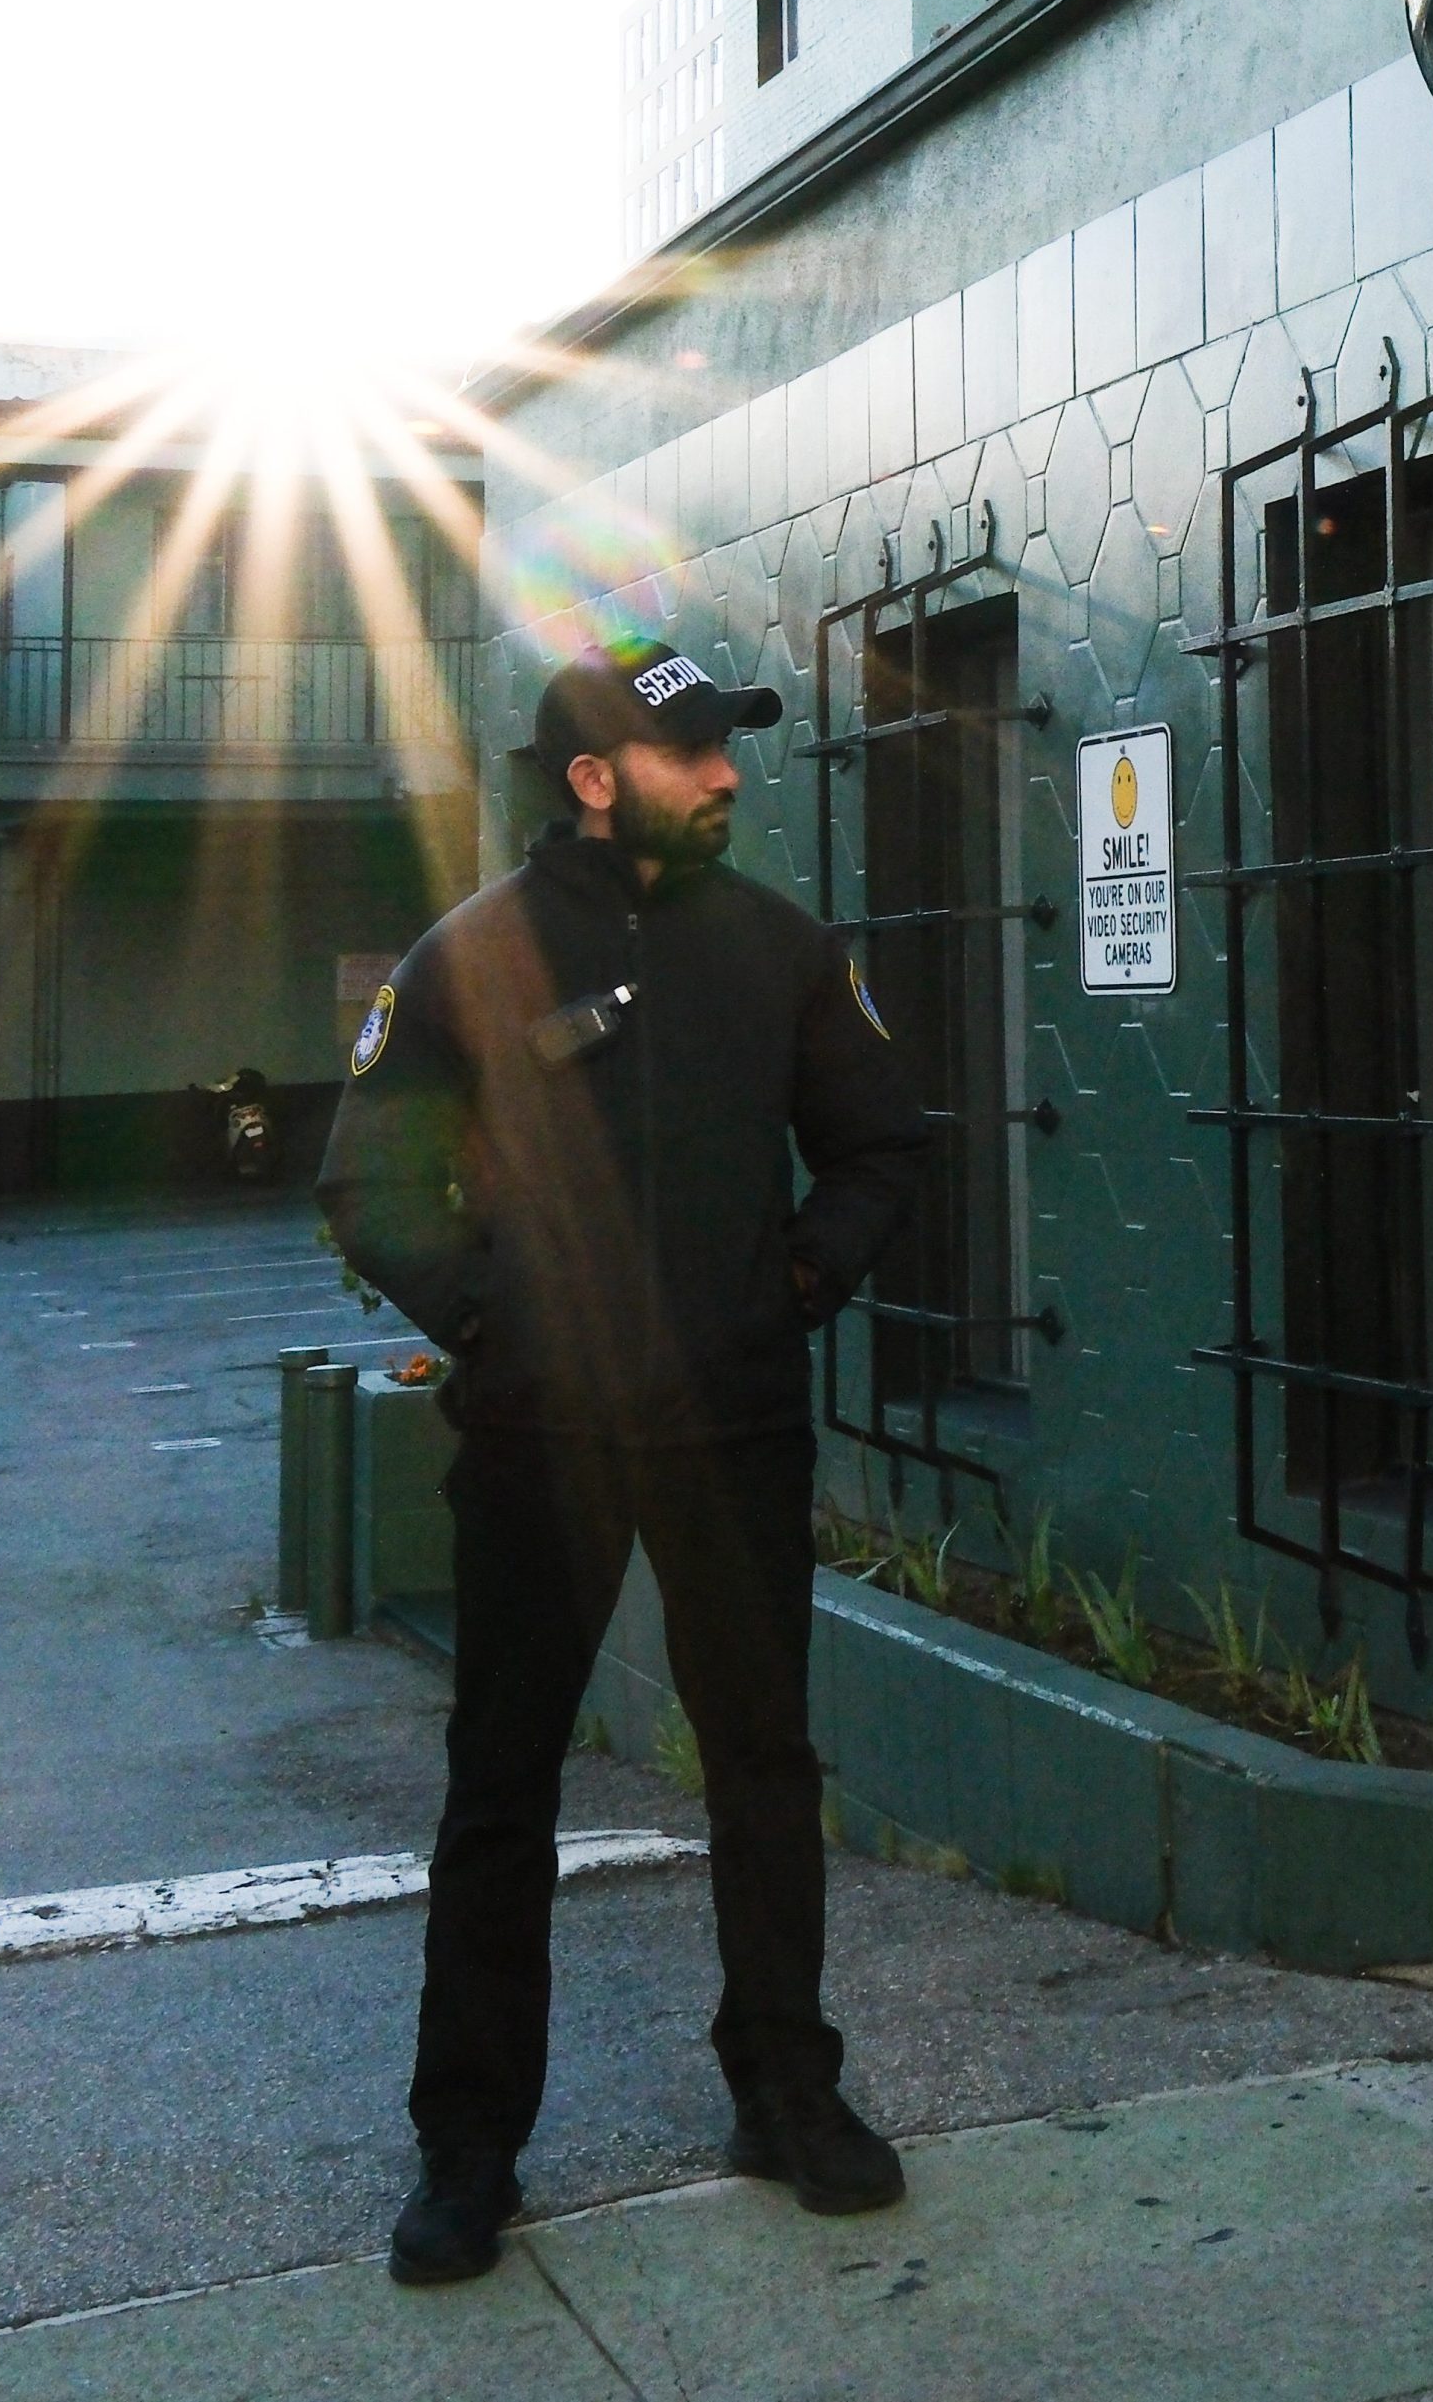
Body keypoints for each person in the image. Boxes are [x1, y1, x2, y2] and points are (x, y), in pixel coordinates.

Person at [317, 644, 927, 2285]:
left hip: (730, 1427)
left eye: (729, 746)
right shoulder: (472, 959)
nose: (728, 774)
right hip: (538, 1442)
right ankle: (467, 2149)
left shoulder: (784, 952)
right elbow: (368, 1181)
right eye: (694, 750)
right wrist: (495, 1316)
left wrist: (796, 1280)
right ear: (594, 776)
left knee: (765, 1764)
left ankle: (788, 2091)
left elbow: (881, 1142)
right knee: (501, 1791)